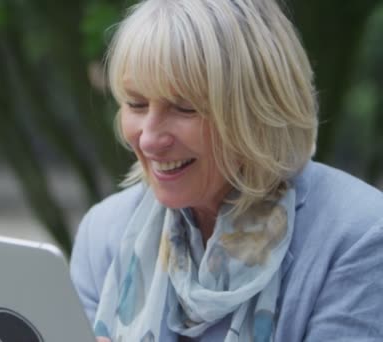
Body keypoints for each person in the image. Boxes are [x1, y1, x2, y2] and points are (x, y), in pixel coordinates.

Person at [69, 0, 383, 341]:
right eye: (136, 104)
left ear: (260, 110)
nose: (149, 139)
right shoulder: (103, 234)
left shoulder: (358, 238)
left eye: (184, 107)